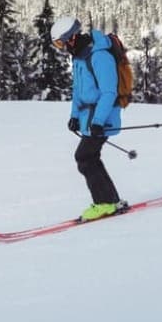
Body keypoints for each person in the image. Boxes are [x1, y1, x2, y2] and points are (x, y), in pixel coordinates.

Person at [50, 16, 127, 221]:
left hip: (103, 118)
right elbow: (78, 91)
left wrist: (98, 122)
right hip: (89, 119)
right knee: (90, 158)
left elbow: (109, 92)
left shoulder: (99, 56)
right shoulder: (79, 57)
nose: (61, 48)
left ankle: (105, 204)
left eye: (61, 42)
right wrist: (74, 116)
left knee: (84, 157)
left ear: (72, 37)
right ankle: (111, 201)